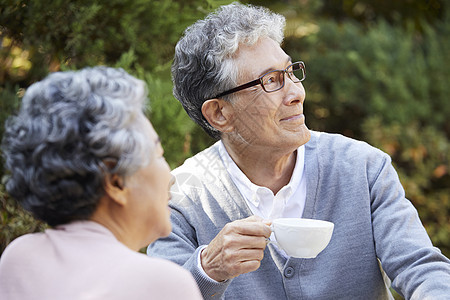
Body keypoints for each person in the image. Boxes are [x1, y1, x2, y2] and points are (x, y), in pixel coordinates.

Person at [147, 3, 450, 300]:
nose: (297, 93)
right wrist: (207, 269)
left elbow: (419, 267)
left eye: (291, 72)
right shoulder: (179, 197)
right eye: (271, 81)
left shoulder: (364, 168)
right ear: (219, 114)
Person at [0, 67, 202, 300]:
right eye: (159, 154)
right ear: (116, 182)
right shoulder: (164, 284)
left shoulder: (19, 258)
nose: (171, 176)